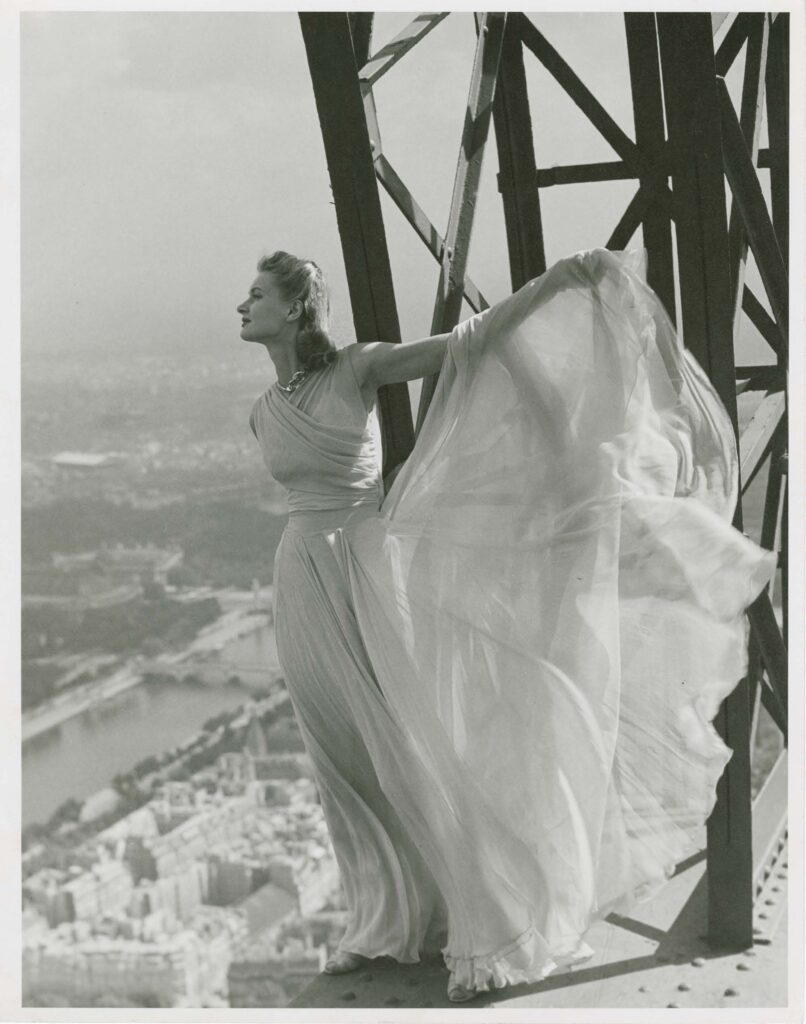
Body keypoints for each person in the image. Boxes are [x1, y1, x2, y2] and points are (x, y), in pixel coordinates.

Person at [239, 248, 776, 1003]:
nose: (242, 306)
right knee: (343, 760)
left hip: (360, 567)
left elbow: (469, 342)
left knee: (407, 746)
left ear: (294, 308)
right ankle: (381, 923)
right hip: (298, 577)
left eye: (256, 294)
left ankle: (488, 919)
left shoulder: (356, 368)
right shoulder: (262, 412)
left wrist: (554, 286)